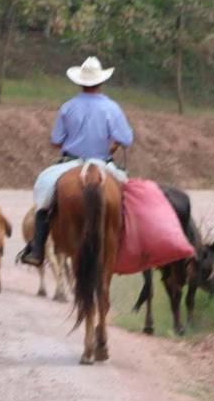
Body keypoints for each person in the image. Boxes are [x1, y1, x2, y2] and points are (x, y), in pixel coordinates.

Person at [17, 56, 134, 267]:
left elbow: (56, 141)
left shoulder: (68, 107)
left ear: (80, 82)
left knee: (44, 200)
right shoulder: (112, 108)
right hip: (102, 163)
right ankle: (130, 244)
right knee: (129, 199)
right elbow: (126, 139)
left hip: (71, 163)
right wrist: (112, 145)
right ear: (101, 82)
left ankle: (36, 249)